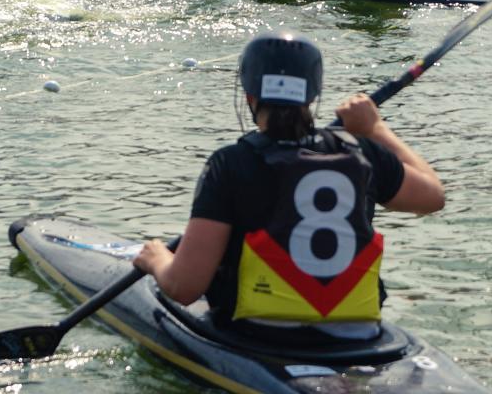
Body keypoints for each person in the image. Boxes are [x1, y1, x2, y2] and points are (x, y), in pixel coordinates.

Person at [132, 29, 444, 341]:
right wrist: (375, 129)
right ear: (311, 98)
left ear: (250, 98)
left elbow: (185, 288)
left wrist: (157, 258)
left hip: (256, 333)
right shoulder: (363, 152)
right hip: (358, 335)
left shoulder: (230, 163)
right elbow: (432, 196)